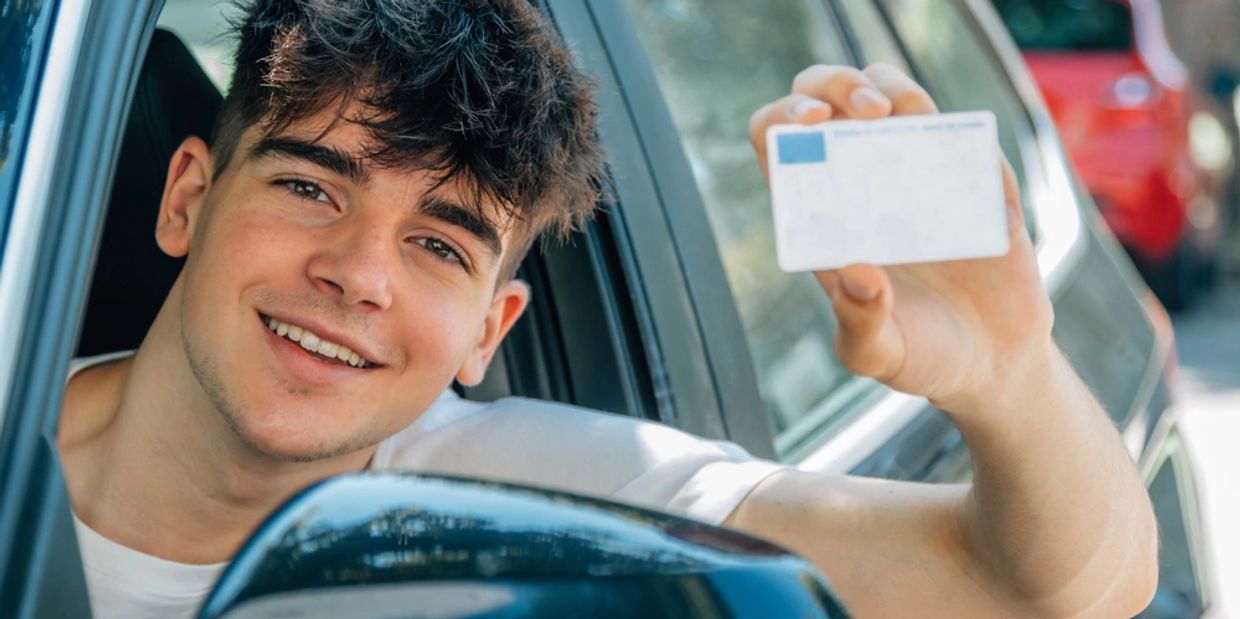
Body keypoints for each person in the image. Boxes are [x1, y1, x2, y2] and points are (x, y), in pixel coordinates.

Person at [57, 1, 1158, 617]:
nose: (359, 275)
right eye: (308, 188)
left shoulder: (535, 507)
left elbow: (1043, 594)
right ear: (188, 196)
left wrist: (1005, 374)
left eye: (440, 245)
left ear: (490, 333)